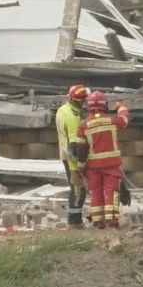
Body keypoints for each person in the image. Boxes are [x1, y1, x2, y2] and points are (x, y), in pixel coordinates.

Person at [72, 91, 131, 229]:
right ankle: (112, 222)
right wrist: (121, 107)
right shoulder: (112, 121)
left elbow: (81, 149)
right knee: (112, 192)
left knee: (96, 192)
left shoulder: (83, 125)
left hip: (92, 166)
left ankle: (98, 221)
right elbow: (125, 120)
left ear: (89, 106)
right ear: (105, 105)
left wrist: (81, 167)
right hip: (111, 164)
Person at [56, 85, 89, 227]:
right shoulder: (72, 116)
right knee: (78, 189)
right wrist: (81, 161)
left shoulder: (63, 110)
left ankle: (75, 220)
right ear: (79, 101)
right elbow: (74, 145)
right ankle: (74, 221)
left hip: (65, 154)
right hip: (72, 158)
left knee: (77, 188)